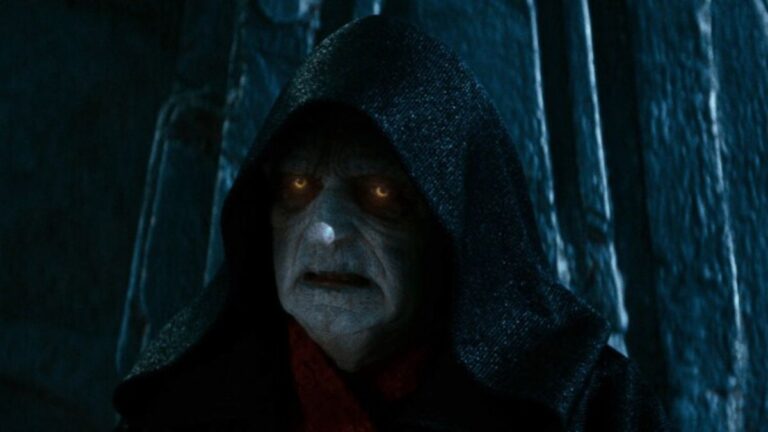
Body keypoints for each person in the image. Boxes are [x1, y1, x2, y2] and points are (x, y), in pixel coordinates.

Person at [113, 16, 667, 431]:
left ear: (448, 228)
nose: (323, 234)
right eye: (297, 188)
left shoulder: (588, 410)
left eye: (380, 194)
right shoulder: (183, 407)